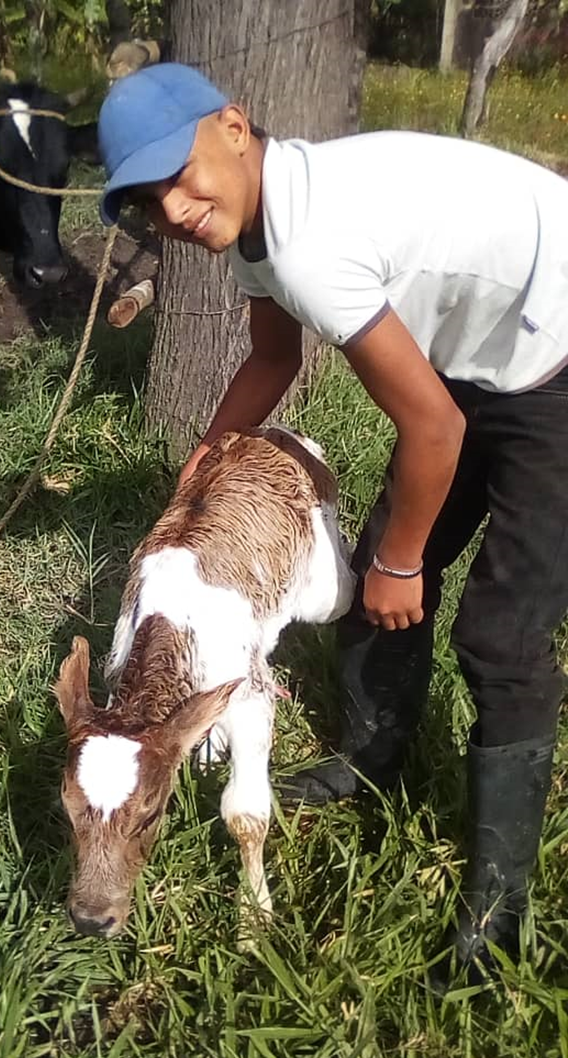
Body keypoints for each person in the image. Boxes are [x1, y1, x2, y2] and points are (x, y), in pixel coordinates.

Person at [95, 62, 568, 986]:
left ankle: (501, 912)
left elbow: (433, 427)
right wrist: (210, 454)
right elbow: (274, 356)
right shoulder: (256, 223)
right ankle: (374, 757)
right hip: (480, 355)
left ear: (233, 126)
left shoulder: (310, 240)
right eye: (152, 204)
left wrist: (402, 559)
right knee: (370, 585)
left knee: (496, 635)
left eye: (181, 177)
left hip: (558, 355)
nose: (177, 211)